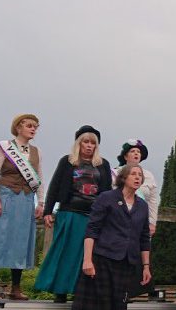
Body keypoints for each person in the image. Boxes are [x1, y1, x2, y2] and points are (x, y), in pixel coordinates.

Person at [35, 125, 112, 303]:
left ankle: (81, 291)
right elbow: (55, 185)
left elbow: (107, 192)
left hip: (93, 216)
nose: (89, 146)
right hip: (70, 213)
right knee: (66, 253)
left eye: (93, 143)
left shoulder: (103, 165)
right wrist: (48, 211)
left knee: (88, 256)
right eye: (86, 142)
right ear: (79, 143)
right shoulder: (67, 161)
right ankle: (60, 291)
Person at [0, 114, 44, 300]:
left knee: (21, 242)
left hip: (26, 200)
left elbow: (39, 179)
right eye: (29, 126)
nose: (33, 129)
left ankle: (15, 288)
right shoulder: (4, 148)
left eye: (36, 126)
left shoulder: (36, 152)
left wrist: (41, 202)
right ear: (18, 128)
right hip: (6, 196)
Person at [71, 165, 151, 310]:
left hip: (127, 264)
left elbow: (144, 238)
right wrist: (87, 260)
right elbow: (92, 230)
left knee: (119, 305)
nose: (138, 177)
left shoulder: (143, 206)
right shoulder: (107, 198)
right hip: (103, 260)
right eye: (133, 174)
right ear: (123, 178)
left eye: (140, 175)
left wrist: (146, 266)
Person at [115, 138, 158, 237]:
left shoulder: (149, 176)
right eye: (132, 151)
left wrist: (152, 222)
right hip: (118, 218)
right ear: (125, 156)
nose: (136, 153)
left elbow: (153, 201)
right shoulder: (116, 173)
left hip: (140, 220)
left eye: (138, 152)